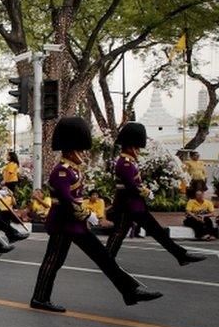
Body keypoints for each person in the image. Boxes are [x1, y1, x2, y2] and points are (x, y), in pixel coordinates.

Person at [31, 117, 163, 313]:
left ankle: (130, 291)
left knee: (104, 258)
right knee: (54, 261)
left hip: (75, 224)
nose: (83, 153)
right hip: (63, 224)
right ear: (71, 149)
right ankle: (40, 298)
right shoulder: (61, 172)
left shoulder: (73, 171)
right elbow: (68, 201)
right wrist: (88, 215)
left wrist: (86, 216)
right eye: (81, 149)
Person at [105, 122, 206, 266]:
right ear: (130, 145)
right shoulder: (125, 162)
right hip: (127, 205)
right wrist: (147, 192)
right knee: (119, 233)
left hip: (135, 206)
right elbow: (131, 186)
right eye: (136, 146)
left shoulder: (129, 161)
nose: (138, 150)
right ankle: (107, 260)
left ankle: (180, 255)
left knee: (154, 232)